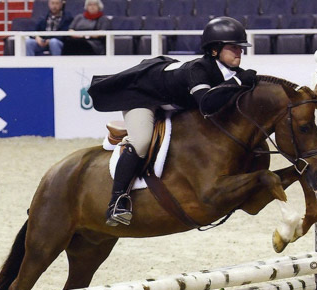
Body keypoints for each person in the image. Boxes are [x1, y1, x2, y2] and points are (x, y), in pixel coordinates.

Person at [88, 17, 258, 226]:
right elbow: (207, 104)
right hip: (143, 97)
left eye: (241, 48)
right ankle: (117, 201)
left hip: (170, 102)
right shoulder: (198, 69)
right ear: (214, 50)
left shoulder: (228, 72)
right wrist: (240, 81)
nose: (239, 52)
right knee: (141, 141)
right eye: (234, 48)